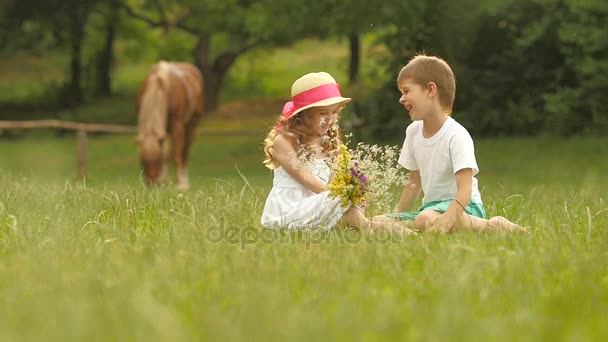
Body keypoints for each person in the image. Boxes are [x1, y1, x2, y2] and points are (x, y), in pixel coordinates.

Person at [375, 54, 527, 233]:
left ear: (430, 90)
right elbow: (414, 183)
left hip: (465, 207)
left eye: (407, 91)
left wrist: (448, 218)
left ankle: (492, 226)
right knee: (379, 220)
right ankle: (419, 225)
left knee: (425, 219)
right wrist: (399, 216)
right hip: (431, 209)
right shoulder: (413, 132)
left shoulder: (456, 135)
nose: (401, 99)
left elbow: (465, 188)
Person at [261, 72, 414, 234]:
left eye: (334, 112)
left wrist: (353, 192)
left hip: (321, 203)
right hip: (291, 210)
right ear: (304, 114)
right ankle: (371, 228)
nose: (330, 119)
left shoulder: (329, 142)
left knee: (345, 201)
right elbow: (305, 178)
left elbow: (335, 180)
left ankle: (373, 227)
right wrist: (341, 196)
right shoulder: (285, 141)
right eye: (322, 113)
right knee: (342, 200)